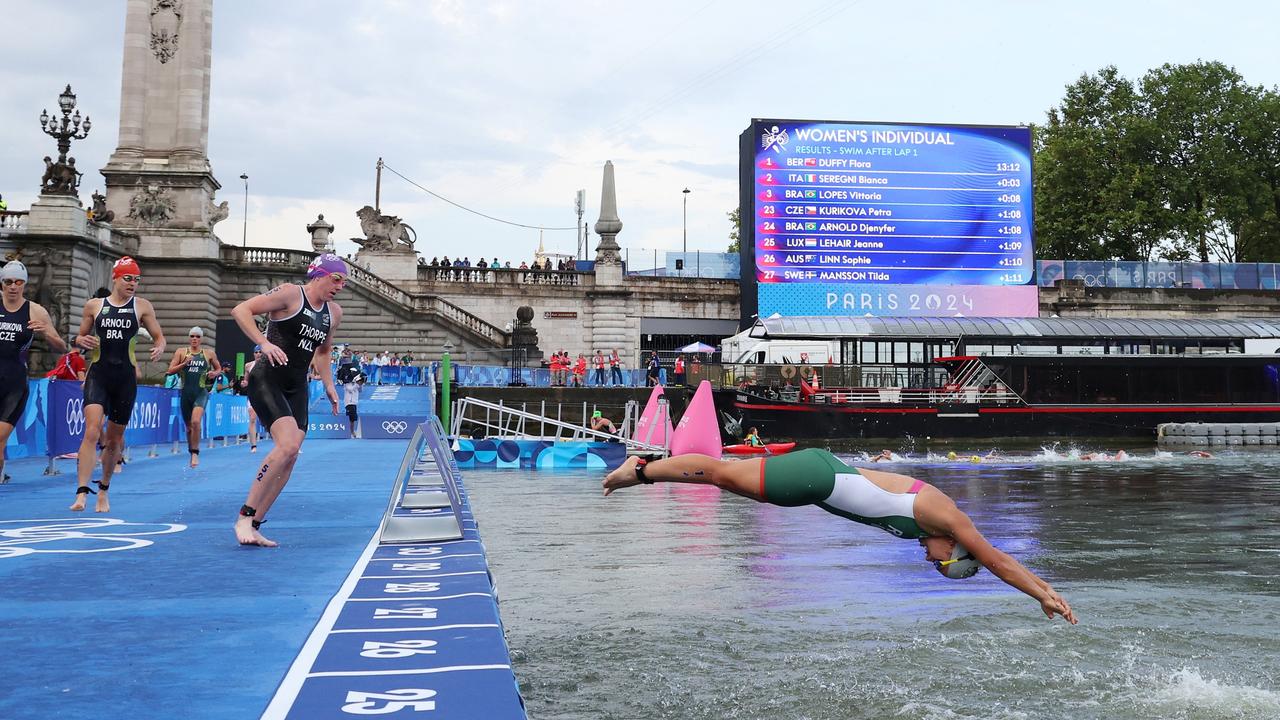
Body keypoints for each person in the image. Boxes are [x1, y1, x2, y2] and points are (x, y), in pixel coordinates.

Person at [602, 449, 1077, 623]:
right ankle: (640, 470)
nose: (930, 560)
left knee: (726, 474)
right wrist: (1042, 593)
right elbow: (997, 560)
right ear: (955, 551)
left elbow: (873, 482)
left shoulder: (930, 524)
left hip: (823, 473)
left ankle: (647, 465)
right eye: (939, 563)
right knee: (722, 477)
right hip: (818, 480)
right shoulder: (948, 518)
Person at [230, 253, 346, 547]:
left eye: (344, 282)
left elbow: (322, 352)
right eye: (336, 279)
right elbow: (241, 310)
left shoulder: (334, 313)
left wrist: (330, 385)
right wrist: (263, 342)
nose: (340, 286)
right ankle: (244, 516)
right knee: (288, 445)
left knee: (291, 456)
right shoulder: (291, 294)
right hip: (268, 378)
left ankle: (255, 524)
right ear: (319, 275)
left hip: (297, 385)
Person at [69, 257, 165, 513]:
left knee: (114, 441)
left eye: (137, 280)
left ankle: (103, 490)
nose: (133, 284)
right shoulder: (94, 306)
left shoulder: (142, 306)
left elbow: (159, 336)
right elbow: (80, 337)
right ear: (116, 278)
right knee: (91, 430)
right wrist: (81, 339)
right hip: (98, 375)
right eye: (128, 278)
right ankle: (81, 493)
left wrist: (159, 346)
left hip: (125, 379)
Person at [0, 261, 67, 482]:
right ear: (2, 284)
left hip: (14, 385)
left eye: (18, 282)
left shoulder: (35, 311)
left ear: (24, 284)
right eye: (8, 282)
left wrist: (47, 333)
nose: (13, 287)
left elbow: (61, 347)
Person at [166, 326, 222, 468]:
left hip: (201, 392)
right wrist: (184, 363)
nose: (194, 339)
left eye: (197, 336)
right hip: (186, 393)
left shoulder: (208, 353)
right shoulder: (181, 352)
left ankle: (196, 452)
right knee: (189, 427)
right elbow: (170, 370)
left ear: (201, 339)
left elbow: (218, 368)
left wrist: (215, 373)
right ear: (189, 338)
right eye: (192, 336)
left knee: (196, 422)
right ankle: (191, 451)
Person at [239, 345, 263, 452]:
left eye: (260, 352)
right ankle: (253, 446)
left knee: (271, 420)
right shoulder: (248, 366)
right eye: (256, 352)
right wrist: (244, 383)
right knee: (252, 419)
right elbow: (246, 381)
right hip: (253, 395)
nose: (258, 354)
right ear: (253, 354)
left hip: (267, 395)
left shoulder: (269, 365)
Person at [336, 348, 364, 438]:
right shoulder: (347, 383)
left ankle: (352, 431)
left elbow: (360, 390)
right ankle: (351, 432)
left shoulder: (356, 382)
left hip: (354, 402)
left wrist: (361, 384)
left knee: (353, 418)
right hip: (348, 402)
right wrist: (357, 384)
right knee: (351, 418)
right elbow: (350, 389)